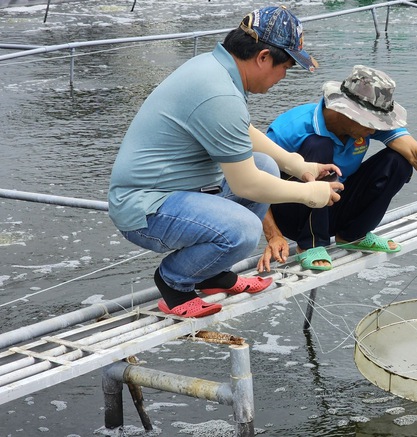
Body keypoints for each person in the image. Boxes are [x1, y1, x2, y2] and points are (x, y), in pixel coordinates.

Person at [107, 6, 343, 318]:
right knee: (243, 229)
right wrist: (310, 194)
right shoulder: (219, 93)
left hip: (178, 193)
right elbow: (246, 185)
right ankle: (174, 283)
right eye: (285, 66)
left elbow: (241, 131)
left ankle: (209, 273)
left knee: (265, 165)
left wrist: (297, 166)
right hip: (146, 208)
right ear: (262, 57)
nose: (284, 76)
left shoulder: (214, 70)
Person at [257, 65, 417, 272]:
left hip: (334, 204)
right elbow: (254, 180)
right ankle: (310, 244)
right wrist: (274, 235)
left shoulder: (365, 128)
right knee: (319, 145)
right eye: (370, 123)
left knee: (398, 160)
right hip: (293, 211)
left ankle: (353, 235)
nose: (374, 130)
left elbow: (414, 152)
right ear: (347, 112)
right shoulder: (293, 127)